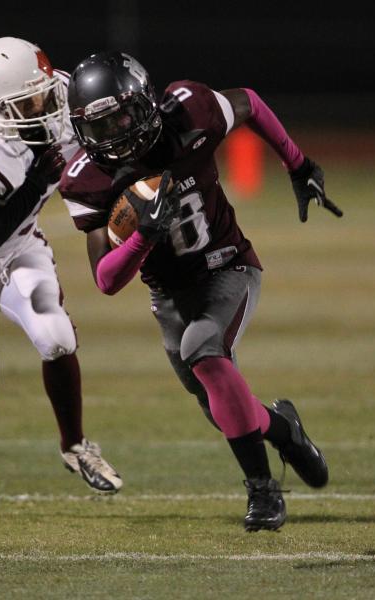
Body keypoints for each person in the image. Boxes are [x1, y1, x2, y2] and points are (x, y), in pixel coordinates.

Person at [59, 51, 341, 531]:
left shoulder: (191, 111)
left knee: (203, 351)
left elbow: (249, 102)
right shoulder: (88, 178)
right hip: (169, 295)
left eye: (121, 116)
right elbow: (106, 280)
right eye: (99, 126)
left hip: (227, 265)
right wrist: (145, 235)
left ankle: (264, 493)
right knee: (218, 402)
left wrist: (298, 164)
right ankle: (284, 429)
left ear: (144, 102)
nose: (115, 135)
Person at [0, 38, 122, 519]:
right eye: (25, 104)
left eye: (42, 96)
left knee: (56, 337)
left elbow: (105, 142)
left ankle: (75, 444)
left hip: (22, 247)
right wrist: (39, 178)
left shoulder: (53, 95)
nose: (41, 107)